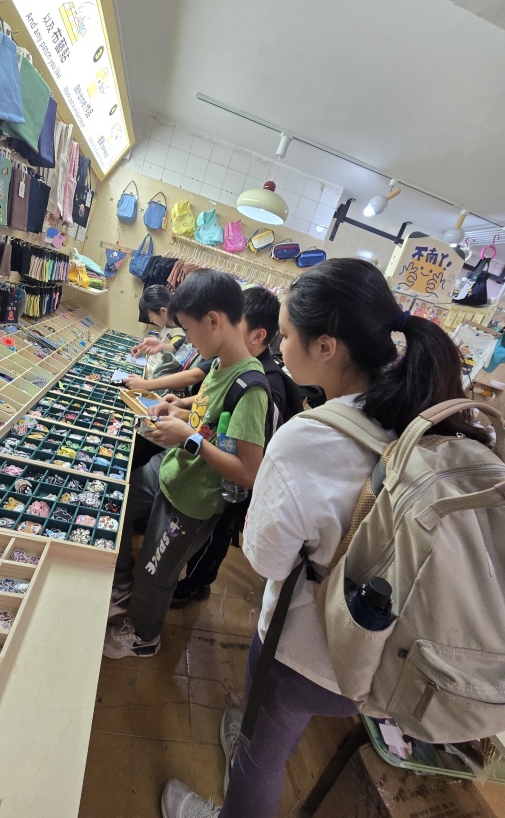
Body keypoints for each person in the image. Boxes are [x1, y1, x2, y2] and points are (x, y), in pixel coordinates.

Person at [161, 258, 490, 818]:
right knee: (275, 734)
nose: (279, 346)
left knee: (261, 759)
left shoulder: (308, 439)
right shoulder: (436, 420)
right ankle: (250, 729)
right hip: (388, 657)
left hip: (306, 651)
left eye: (286, 335)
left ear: (326, 347)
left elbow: (267, 560)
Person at [103, 270, 269, 659]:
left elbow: (248, 473)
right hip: (169, 472)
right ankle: (121, 584)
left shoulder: (251, 388)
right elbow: (206, 413)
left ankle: (144, 636)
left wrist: (188, 438)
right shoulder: (220, 363)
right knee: (116, 500)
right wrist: (177, 408)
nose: (188, 341)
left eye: (190, 331)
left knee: (155, 572)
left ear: (213, 321)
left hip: (191, 501)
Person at [169, 286, 306, 608]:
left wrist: (192, 438)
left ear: (258, 336)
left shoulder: (263, 385)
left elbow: (255, 457)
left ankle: (198, 583)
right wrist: (185, 408)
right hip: (216, 465)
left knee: (217, 532)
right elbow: (216, 412)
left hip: (237, 481)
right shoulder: (231, 364)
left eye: (234, 324)